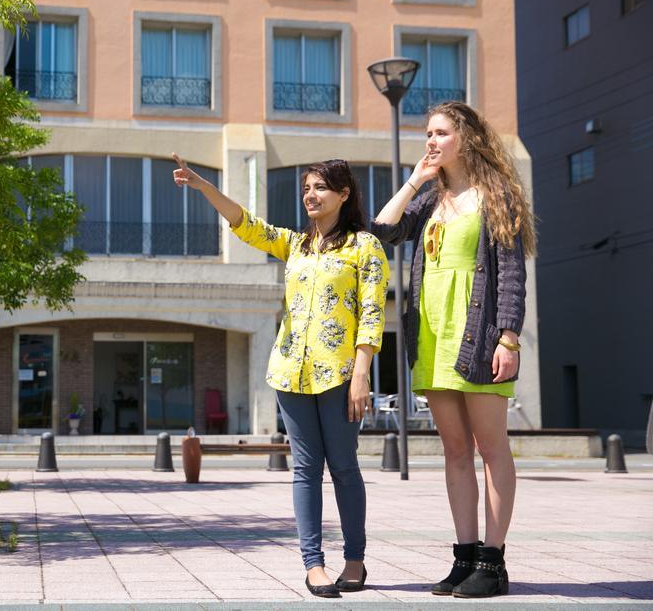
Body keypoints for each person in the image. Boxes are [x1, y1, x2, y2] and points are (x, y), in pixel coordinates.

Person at [172, 154, 389, 598]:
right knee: (305, 470)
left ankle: (354, 560)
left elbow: (371, 313)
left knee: (345, 468)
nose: (310, 194)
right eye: (306, 188)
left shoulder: (365, 247)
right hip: (290, 372)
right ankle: (314, 565)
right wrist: (203, 186)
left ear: (343, 194)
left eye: (320, 187)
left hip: (340, 375)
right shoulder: (295, 244)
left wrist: (362, 373)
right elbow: (246, 223)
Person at [372, 101, 535, 599]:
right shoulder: (430, 200)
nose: (431, 141)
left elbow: (511, 273)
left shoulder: (497, 195)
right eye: (427, 134)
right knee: (456, 450)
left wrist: (509, 336)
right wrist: (415, 181)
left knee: (491, 448)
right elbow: (382, 230)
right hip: (434, 337)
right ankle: (465, 557)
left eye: (440, 133)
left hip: (481, 335)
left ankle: (494, 560)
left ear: (465, 137)